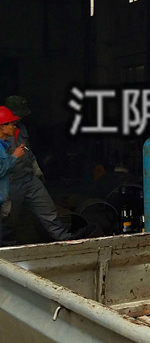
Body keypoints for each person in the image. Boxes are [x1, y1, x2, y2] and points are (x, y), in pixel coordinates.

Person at [3, 95, 91, 243]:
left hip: (29, 178)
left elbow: (28, 151)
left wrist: (36, 168)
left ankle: (64, 239)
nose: (20, 118)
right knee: (8, 220)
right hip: (10, 183)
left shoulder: (22, 128)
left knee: (48, 209)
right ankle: (6, 248)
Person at [0, 105, 26, 246]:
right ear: (2, 126)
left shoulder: (3, 146)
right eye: (10, 123)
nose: (14, 127)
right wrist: (15, 156)